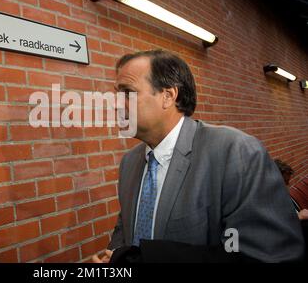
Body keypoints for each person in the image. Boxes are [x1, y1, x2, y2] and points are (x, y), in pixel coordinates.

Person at [93, 49, 304, 263]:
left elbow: (266, 253)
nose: (116, 103)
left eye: (127, 92)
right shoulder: (129, 164)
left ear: (168, 96)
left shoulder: (236, 152)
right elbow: (124, 229)